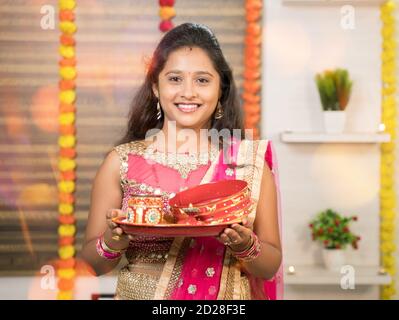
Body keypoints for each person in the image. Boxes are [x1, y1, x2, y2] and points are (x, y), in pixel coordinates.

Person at [80, 22, 283, 300]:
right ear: (155, 86)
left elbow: (270, 267)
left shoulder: (248, 165)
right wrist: (112, 241)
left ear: (220, 89)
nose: (188, 92)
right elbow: (92, 265)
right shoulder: (121, 162)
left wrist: (246, 245)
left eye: (202, 80)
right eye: (175, 79)